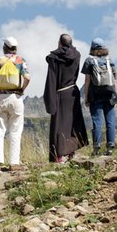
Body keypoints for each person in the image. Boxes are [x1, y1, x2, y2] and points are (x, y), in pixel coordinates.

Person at [0, 36, 30, 172]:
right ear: (16, 48)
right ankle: (14, 163)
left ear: (4, 47)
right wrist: (22, 89)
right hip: (15, 98)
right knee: (15, 131)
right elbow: (28, 77)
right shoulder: (20, 61)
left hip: (0, 97)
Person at [44, 34, 88, 162]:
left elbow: (51, 79)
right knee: (72, 123)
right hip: (73, 91)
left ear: (59, 43)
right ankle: (70, 152)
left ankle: (58, 156)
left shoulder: (54, 58)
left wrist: (49, 100)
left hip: (60, 93)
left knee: (59, 125)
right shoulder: (77, 55)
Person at [82, 38, 117, 156]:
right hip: (109, 93)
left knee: (97, 121)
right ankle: (110, 146)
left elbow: (87, 80)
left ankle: (96, 147)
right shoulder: (109, 61)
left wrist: (86, 97)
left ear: (92, 48)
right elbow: (114, 79)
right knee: (110, 121)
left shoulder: (89, 60)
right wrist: (115, 94)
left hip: (95, 95)